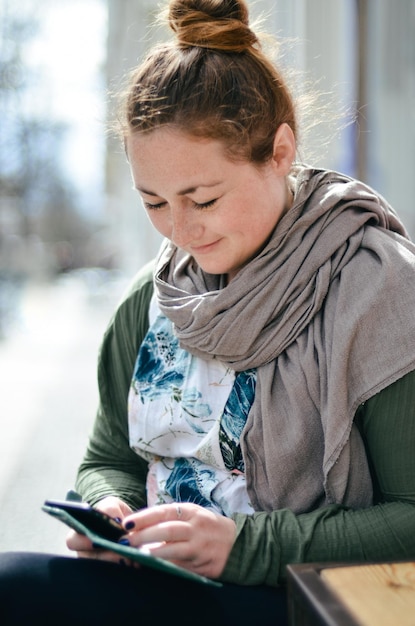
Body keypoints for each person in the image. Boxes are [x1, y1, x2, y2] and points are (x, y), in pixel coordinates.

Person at [1, 0, 415, 624]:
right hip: (161, 581)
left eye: (203, 198)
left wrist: (245, 548)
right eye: (155, 202)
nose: (181, 230)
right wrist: (113, 510)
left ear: (279, 151)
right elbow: (107, 458)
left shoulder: (377, 289)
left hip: (296, 599)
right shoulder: (151, 299)